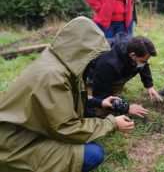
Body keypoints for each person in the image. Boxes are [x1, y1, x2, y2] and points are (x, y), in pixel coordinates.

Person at [0, 17, 135, 172]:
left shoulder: (61, 64)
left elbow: (67, 103)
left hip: (26, 133)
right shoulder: (53, 77)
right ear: (81, 49)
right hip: (13, 148)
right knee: (93, 153)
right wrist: (112, 123)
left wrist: (100, 103)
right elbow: (65, 128)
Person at [84, 32, 163, 119]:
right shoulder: (108, 64)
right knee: (101, 103)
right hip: (95, 72)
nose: (144, 63)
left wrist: (149, 85)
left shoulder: (134, 45)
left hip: (113, 70)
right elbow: (102, 91)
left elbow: (144, 65)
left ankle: (114, 89)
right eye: (143, 61)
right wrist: (127, 107)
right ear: (132, 55)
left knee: (115, 88)